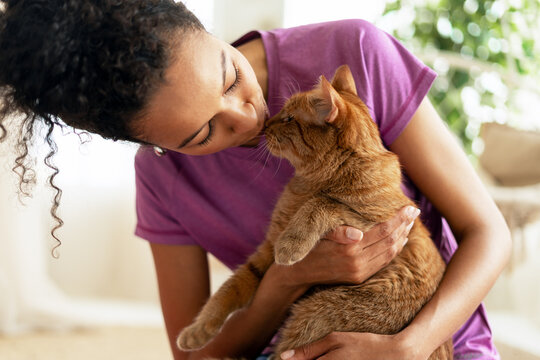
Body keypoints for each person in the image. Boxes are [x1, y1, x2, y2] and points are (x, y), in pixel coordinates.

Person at [0, 1, 511, 359]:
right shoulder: (162, 178)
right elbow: (196, 354)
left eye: (228, 76)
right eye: (203, 133)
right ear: (154, 145)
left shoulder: (352, 50)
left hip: (439, 338)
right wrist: (286, 279)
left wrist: (409, 347)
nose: (246, 119)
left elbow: (489, 232)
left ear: (200, 24)